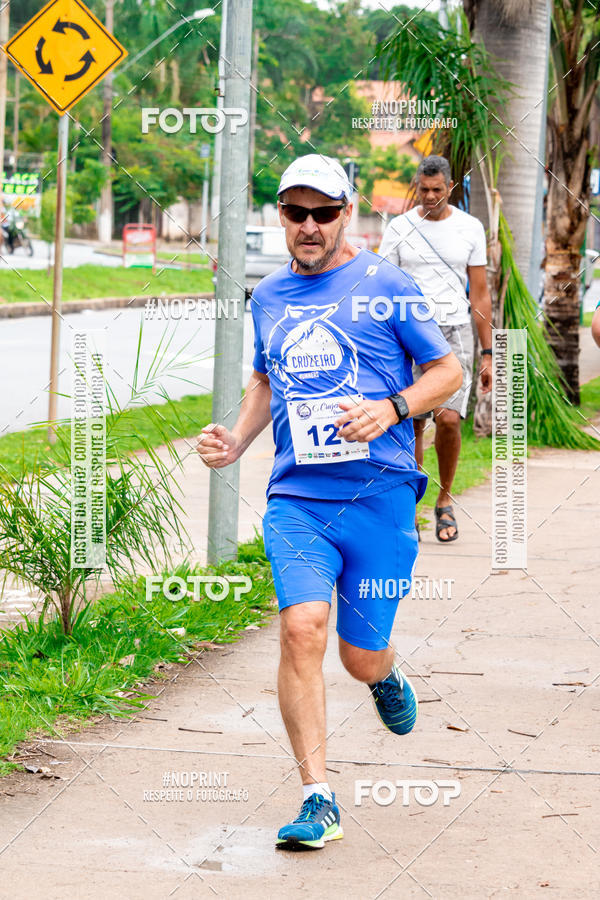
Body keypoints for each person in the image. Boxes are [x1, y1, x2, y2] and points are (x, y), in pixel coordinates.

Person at [197, 153, 461, 851]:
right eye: (295, 213)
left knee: (357, 656)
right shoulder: (270, 298)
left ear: (347, 213)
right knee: (302, 628)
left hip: (380, 496)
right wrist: (237, 438)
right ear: (280, 217)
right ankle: (319, 797)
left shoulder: (386, 284)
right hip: (299, 498)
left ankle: (385, 671)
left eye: (323, 212)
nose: (309, 226)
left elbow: (448, 369)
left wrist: (392, 407)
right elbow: (264, 380)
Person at [379, 155, 493, 542]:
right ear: (418, 187)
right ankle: (409, 505)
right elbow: (381, 285)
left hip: (455, 330)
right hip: (407, 332)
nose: (430, 197)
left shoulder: (470, 228)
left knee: (447, 419)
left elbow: (479, 292)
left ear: (450, 188)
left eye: (437, 190)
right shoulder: (399, 228)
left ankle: (445, 500)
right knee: (412, 420)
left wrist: (488, 352)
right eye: (424, 190)